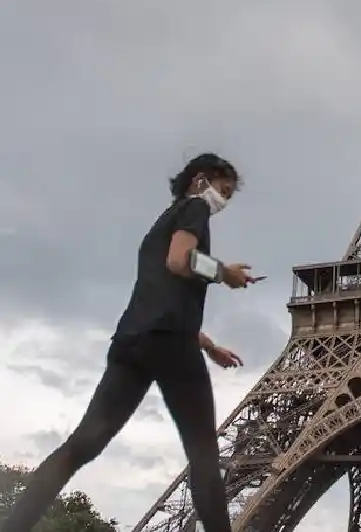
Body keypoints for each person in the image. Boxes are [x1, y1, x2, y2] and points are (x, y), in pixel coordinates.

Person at [1, 153, 261, 532]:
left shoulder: (159, 225)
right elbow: (179, 262)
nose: (222, 203)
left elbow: (159, 296)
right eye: (223, 192)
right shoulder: (193, 209)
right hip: (169, 344)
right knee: (204, 454)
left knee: (81, 447)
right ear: (200, 180)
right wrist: (223, 272)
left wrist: (205, 344)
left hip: (132, 343)